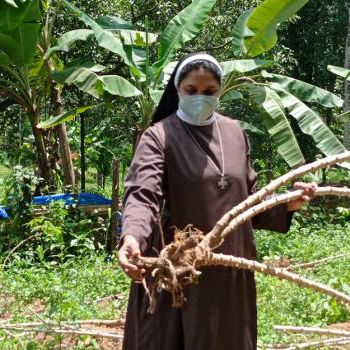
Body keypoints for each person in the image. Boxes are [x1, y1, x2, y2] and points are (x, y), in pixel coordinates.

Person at [117, 52, 317, 350]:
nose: (201, 97)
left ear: (219, 90)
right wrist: (132, 235)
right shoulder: (159, 137)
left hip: (229, 271)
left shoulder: (235, 133)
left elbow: (248, 199)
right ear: (178, 90)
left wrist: (287, 203)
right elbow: (143, 194)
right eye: (191, 91)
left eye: (209, 91)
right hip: (178, 270)